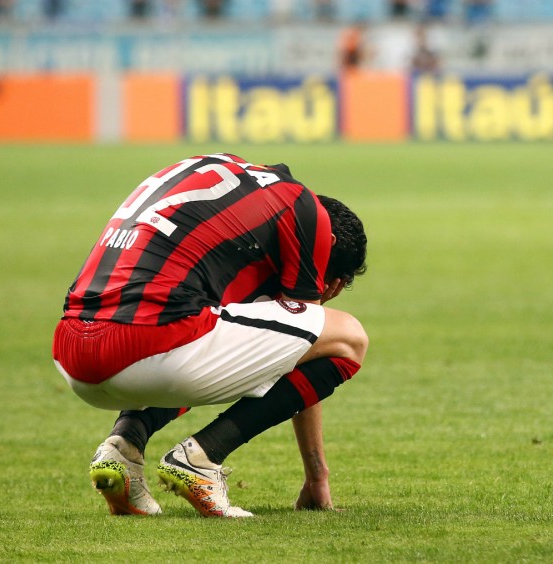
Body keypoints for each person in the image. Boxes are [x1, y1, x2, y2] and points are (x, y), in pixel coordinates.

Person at [52, 153, 369, 518]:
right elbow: (308, 341)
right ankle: (202, 458)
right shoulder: (304, 211)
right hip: (148, 345)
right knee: (348, 338)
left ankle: (123, 446)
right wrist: (317, 478)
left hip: (72, 351)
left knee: (213, 337)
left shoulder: (234, 191)